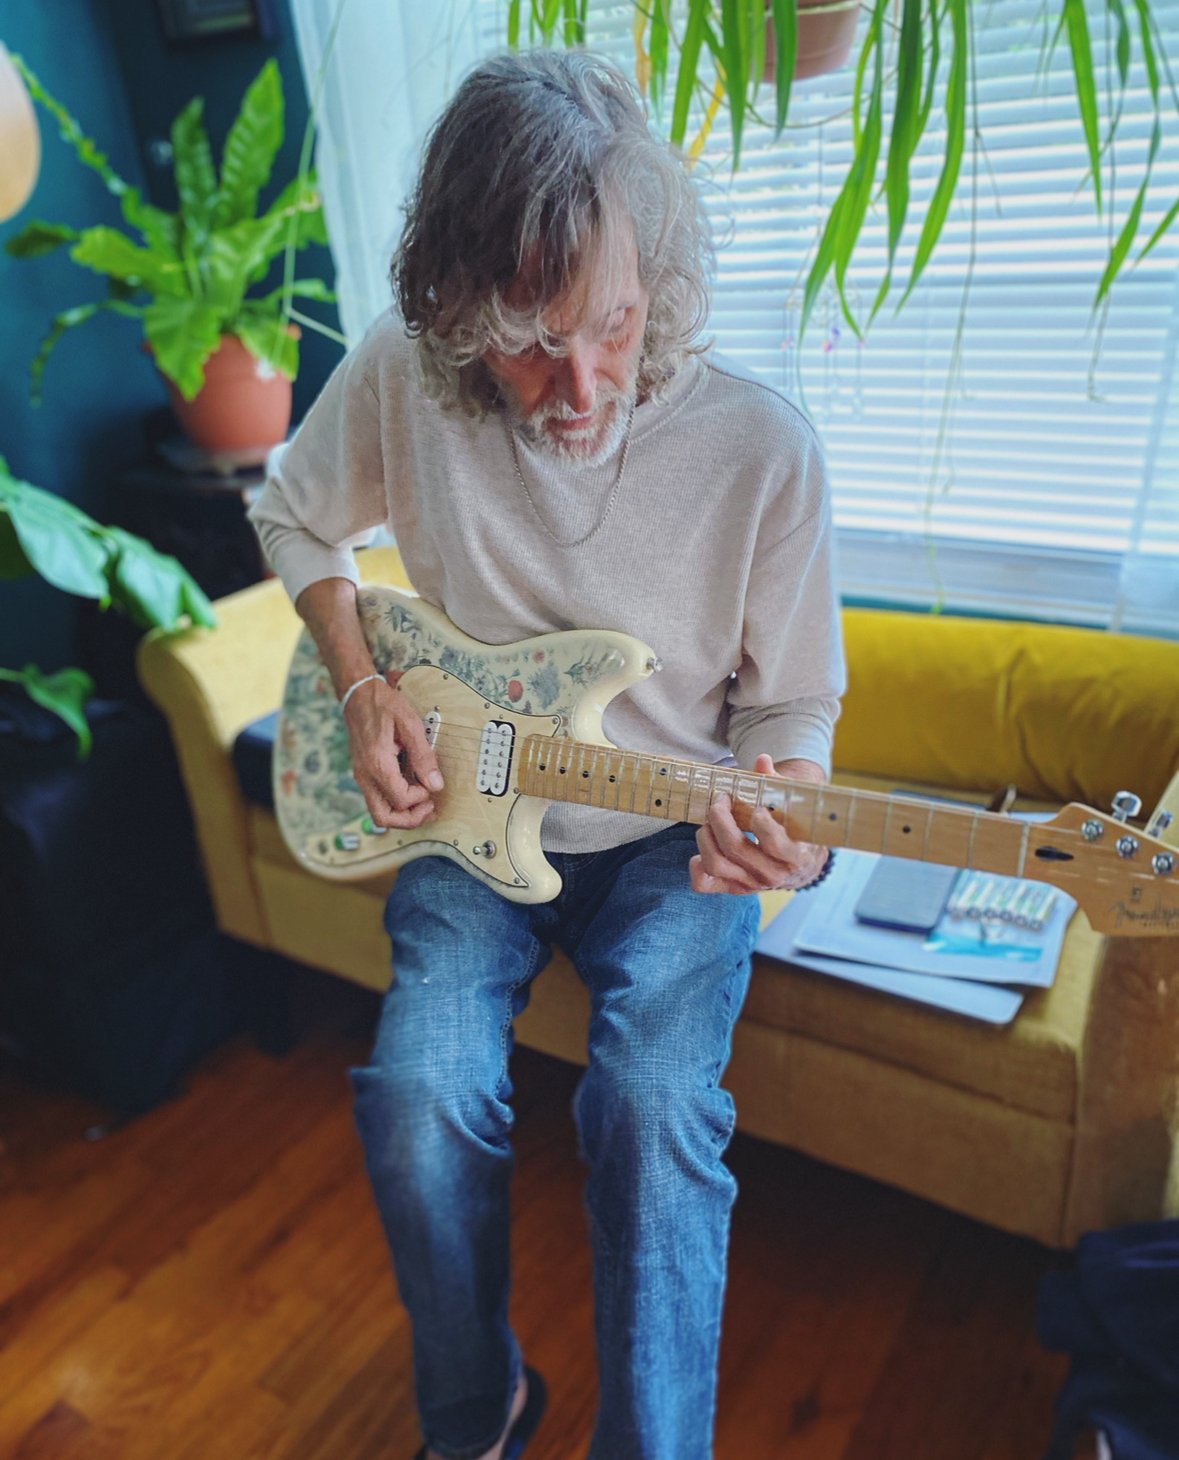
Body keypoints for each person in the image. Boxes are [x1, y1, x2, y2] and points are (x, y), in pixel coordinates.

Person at [249, 48, 845, 1460]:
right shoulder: (405, 374)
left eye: (614, 326)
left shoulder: (763, 450)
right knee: (414, 1096)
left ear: (658, 279)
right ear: (457, 315)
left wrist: (788, 810)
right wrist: (358, 690)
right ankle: (478, 1411)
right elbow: (294, 519)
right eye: (526, 340)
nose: (579, 386)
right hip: (471, 817)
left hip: (662, 842)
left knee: (648, 1109)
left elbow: (791, 715)